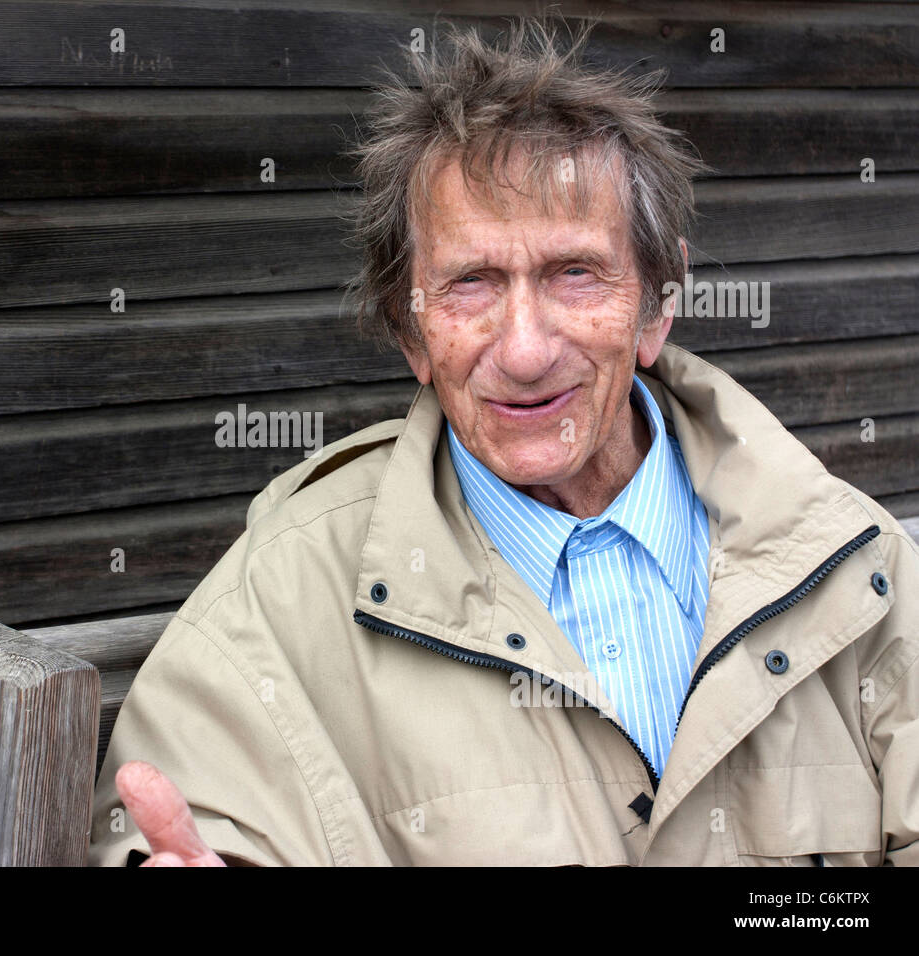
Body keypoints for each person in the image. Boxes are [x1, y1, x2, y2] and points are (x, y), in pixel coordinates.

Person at [88, 18, 919, 866]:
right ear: (410, 335)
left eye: (574, 273)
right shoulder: (284, 593)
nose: (525, 351)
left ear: (658, 304)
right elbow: (196, 827)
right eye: (470, 284)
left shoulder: (854, 567)